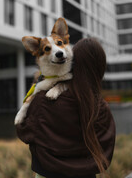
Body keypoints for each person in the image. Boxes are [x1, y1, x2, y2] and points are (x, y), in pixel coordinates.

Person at [16, 37, 116, 178]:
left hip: (47, 173)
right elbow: (106, 148)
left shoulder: (43, 100)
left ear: (73, 62)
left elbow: (25, 132)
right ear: (101, 67)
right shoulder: (101, 107)